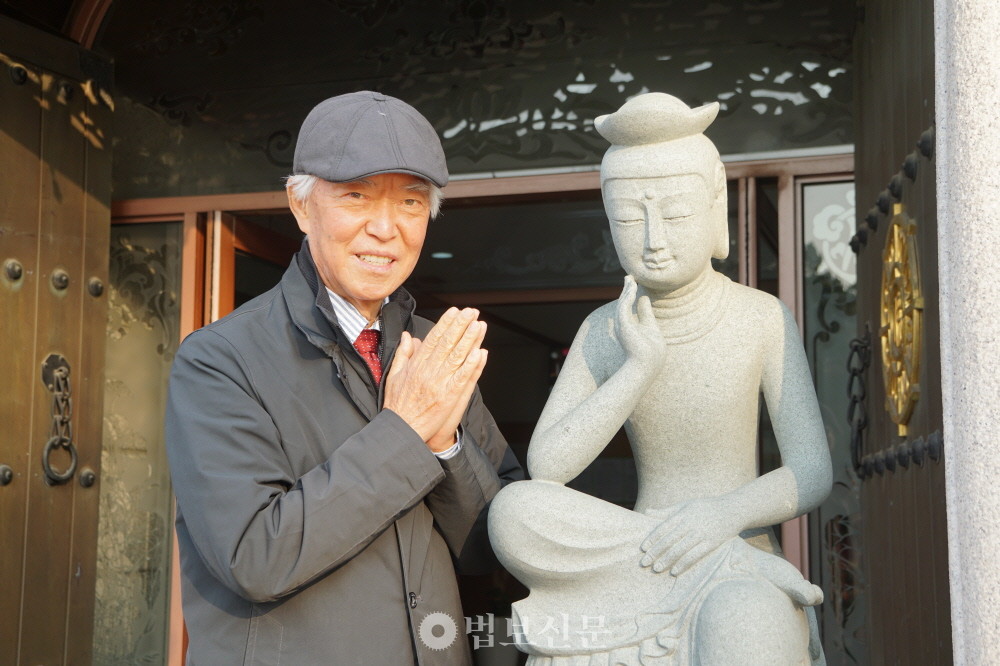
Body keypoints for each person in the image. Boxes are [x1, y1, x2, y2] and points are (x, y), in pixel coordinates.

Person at [166, 91, 523, 665]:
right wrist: (407, 433)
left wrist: (446, 444)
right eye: (356, 197)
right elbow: (255, 557)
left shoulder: (435, 353)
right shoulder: (220, 360)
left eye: (410, 203)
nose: (385, 229)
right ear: (301, 206)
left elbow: (497, 547)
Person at [488, 93, 832, 664]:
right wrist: (637, 367)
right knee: (514, 511)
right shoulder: (605, 330)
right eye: (628, 218)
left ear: (714, 207)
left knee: (746, 626)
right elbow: (548, 468)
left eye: (673, 215)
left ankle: (736, 566)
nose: (652, 238)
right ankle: (730, 564)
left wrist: (723, 516)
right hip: (640, 552)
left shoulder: (760, 316)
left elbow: (812, 470)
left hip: (728, 533)